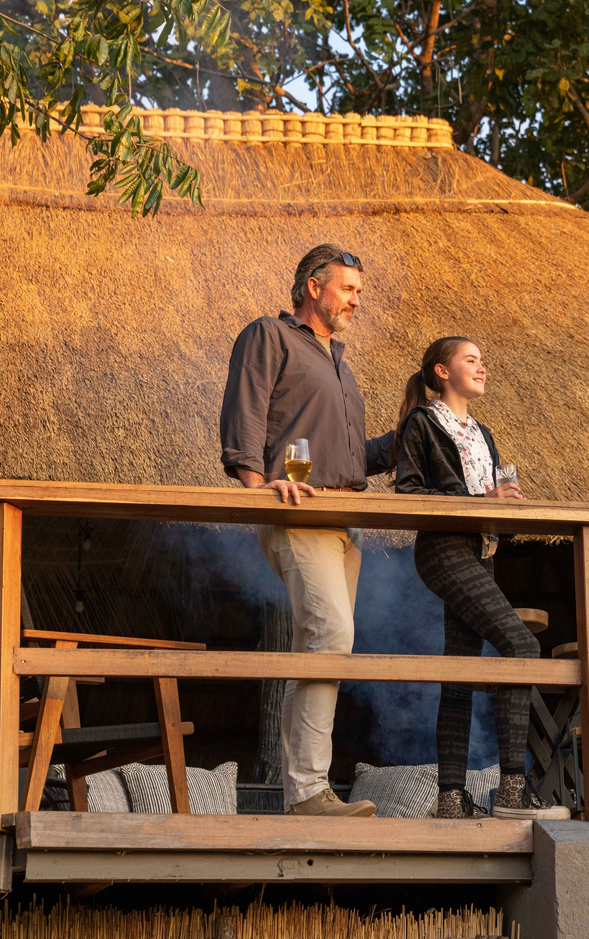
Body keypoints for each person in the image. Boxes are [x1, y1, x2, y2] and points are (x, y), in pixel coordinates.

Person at [219, 243, 394, 818]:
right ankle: (312, 790)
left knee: (315, 648)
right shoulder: (269, 336)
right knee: (332, 637)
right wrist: (253, 484)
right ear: (313, 286)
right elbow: (245, 406)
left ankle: (302, 793)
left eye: (359, 292)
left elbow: (347, 455)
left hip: (345, 521)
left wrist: (413, 434)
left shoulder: (337, 361)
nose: (356, 300)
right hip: (300, 514)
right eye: (349, 288)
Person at [394, 337, 567, 821]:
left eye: (483, 361)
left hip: (482, 550)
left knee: (461, 670)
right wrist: (480, 501)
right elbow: (408, 491)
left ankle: (450, 797)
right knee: (523, 646)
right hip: (444, 549)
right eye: (471, 360)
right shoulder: (422, 422)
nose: (482, 367)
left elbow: (485, 497)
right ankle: (512, 788)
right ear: (441, 371)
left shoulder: (483, 433)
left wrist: (500, 504)